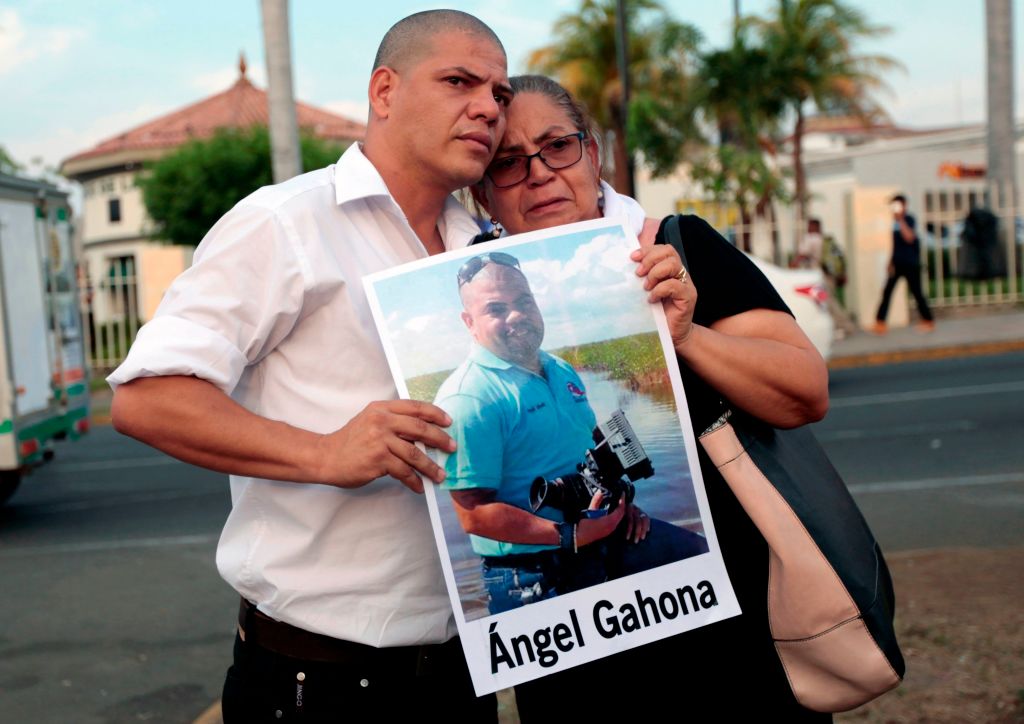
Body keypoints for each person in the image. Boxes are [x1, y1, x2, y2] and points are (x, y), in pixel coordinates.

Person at [107, 11, 513, 723]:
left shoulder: (482, 248)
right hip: (319, 681)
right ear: (383, 92)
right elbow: (147, 398)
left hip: (466, 670)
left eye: (500, 94)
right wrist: (324, 451)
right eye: (459, 81)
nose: (487, 107)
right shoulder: (286, 223)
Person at [470, 74, 830, 721]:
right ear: (483, 190)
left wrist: (689, 337)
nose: (539, 173)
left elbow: (805, 393)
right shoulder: (474, 295)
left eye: (558, 146)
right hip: (574, 654)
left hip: (730, 637)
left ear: (594, 154)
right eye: (508, 162)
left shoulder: (675, 244)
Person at [436, 251, 708, 614]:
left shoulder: (560, 368)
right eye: (496, 309)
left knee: (702, 561)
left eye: (524, 302)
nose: (516, 315)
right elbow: (473, 514)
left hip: (607, 534)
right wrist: (571, 534)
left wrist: (622, 503)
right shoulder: (468, 398)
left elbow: (592, 444)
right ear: (469, 322)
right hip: (533, 573)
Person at [873, 193, 935, 334]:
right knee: (887, 292)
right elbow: (895, 244)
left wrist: (901, 220)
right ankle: (880, 322)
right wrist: (890, 261)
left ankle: (928, 320)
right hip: (897, 263)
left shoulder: (909, 219)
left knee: (917, 293)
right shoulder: (893, 221)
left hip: (910, 263)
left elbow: (909, 238)